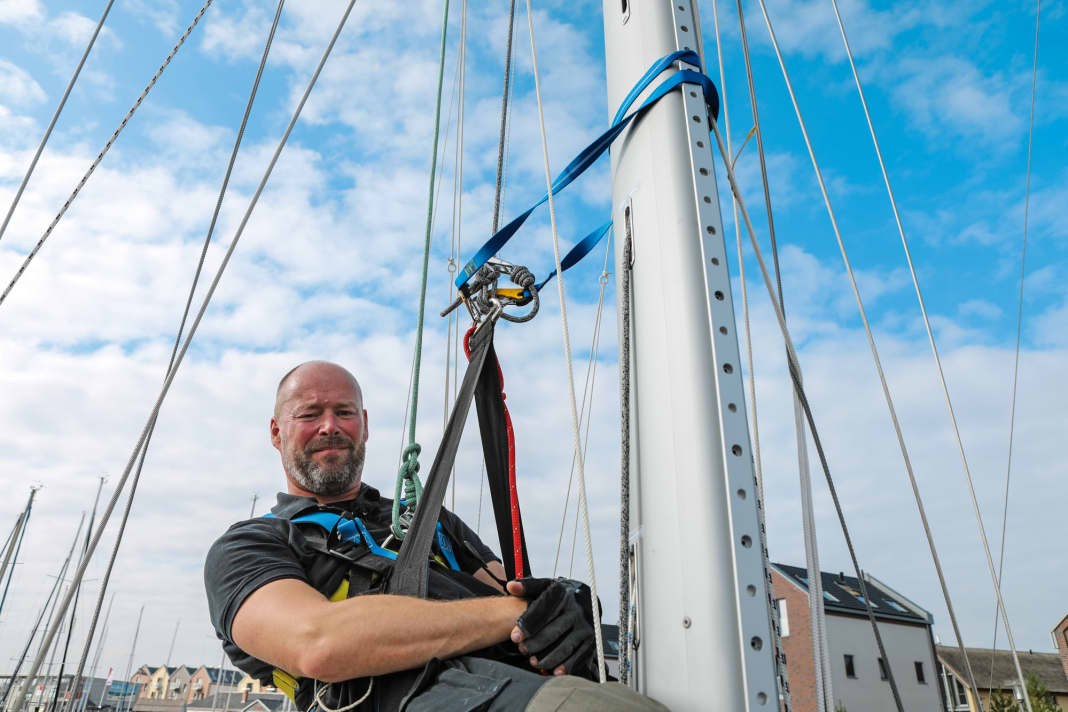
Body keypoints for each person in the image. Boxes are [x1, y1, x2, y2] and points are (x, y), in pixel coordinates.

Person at [204, 360, 667, 711]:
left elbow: (506, 588)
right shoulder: (250, 547)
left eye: (344, 412)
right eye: (310, 414)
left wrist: (559, 605)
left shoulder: (431, 522)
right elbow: (317, 642)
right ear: (275, 432)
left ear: (363, 424)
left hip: (509, 679)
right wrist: (518, 612)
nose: (330, 426)